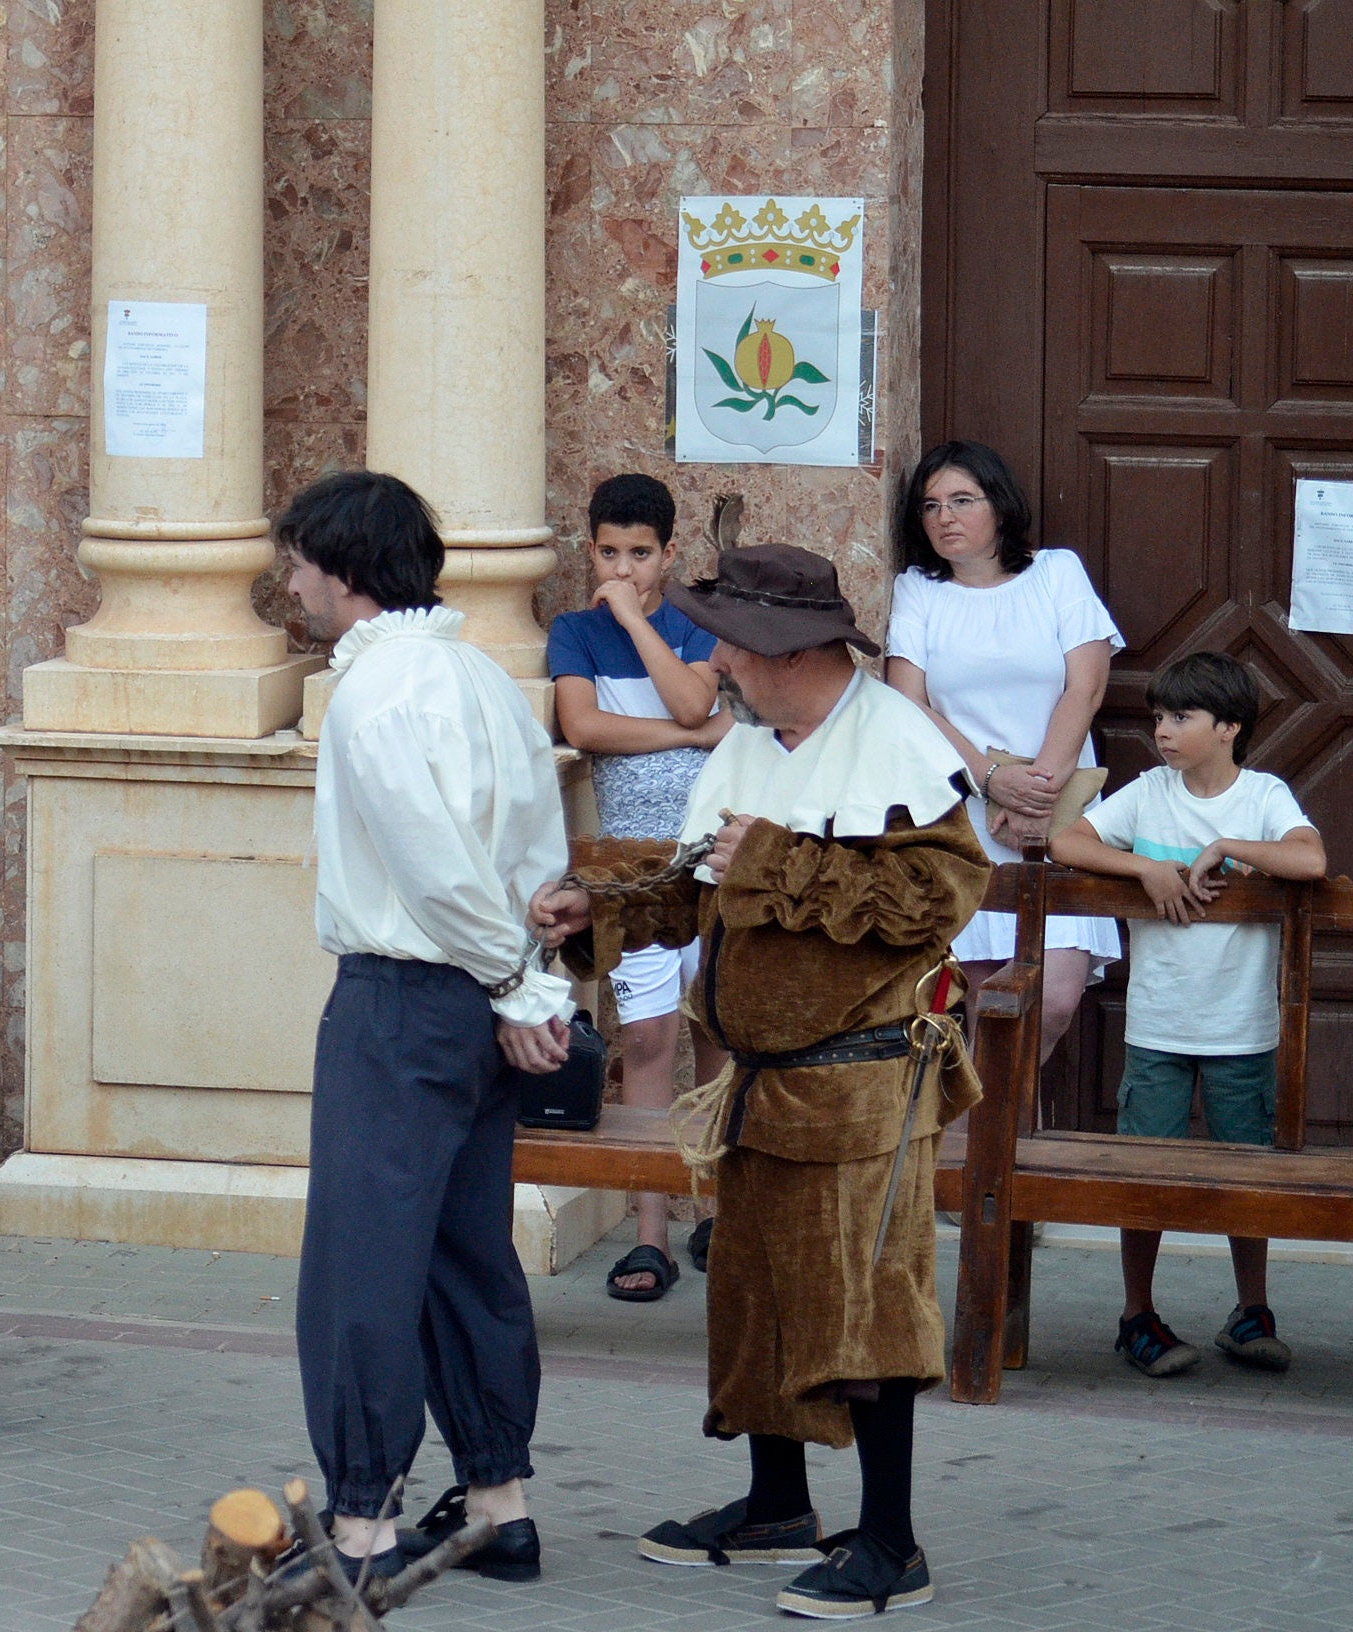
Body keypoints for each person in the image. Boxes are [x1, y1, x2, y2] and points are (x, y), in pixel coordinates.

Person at [534, 545, 990, 1619]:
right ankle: (776, 1505)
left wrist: (778, 862)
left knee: (864, 1309)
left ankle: (891, 1543)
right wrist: (596, 908)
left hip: (869, 1084)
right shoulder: (748, 745)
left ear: (793, 651)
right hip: (764, 1084)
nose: (720, 658)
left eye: (734, 639)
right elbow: (696, 891)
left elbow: (936, 898)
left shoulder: (895, 742)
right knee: (757, 1297)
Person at [279, 470, 570, 1588]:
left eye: (300, 560)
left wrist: (512, 977)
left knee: (362, 1263)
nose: (291, 580)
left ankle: (361, 1526)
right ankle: (499, 1501)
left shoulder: (375, 692)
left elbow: (431, 861)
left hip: (407, 999)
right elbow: (534, 847)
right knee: (464, 1253)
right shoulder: (484, 677)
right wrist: (529, 985)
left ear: (345, 570)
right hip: (483, 999)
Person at [1049, 653, 1323, 1380]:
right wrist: (1143, 866)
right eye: (1160, 717)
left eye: (1181, 718)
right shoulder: (1148, 795)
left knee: (1249, 1178)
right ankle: (1136, 1314)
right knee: (1145, 1176)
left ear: (1229, 727)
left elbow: (1311, 861)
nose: (1163, 731)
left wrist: (1228, 847)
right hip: (1159, 1029)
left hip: (1243, 1031)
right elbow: (1065, 839)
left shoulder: (1264, 796)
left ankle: (1251, 1310)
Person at [546, 473, 731, 1300]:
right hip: (628, 869)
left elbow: (695, 695)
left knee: (722, 1031)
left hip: (715, 862)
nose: (624, 570)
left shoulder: (695, 624)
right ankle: (649, 1233)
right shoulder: (575, 630)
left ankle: (718, 1212)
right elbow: (584, 728)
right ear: (589, 549)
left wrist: (638, 620)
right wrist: (687, 732)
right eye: (609, 553)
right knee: (649, 1041)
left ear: (671, 551)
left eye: (641, 555)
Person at [883, 440, 1122, 1064]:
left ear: (1000, 505)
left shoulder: (1056, 572)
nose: (945, 517)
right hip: (966, 815)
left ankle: (1001, 1142)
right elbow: (908, 704)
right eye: (931, 505)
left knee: (1055, 997)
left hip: (1053, 808)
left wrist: (1035, 793)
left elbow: (1087, 684)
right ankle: (996, 1149)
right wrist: (991, 781)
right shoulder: (919, 590)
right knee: (983, 1002)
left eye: (963, 500)